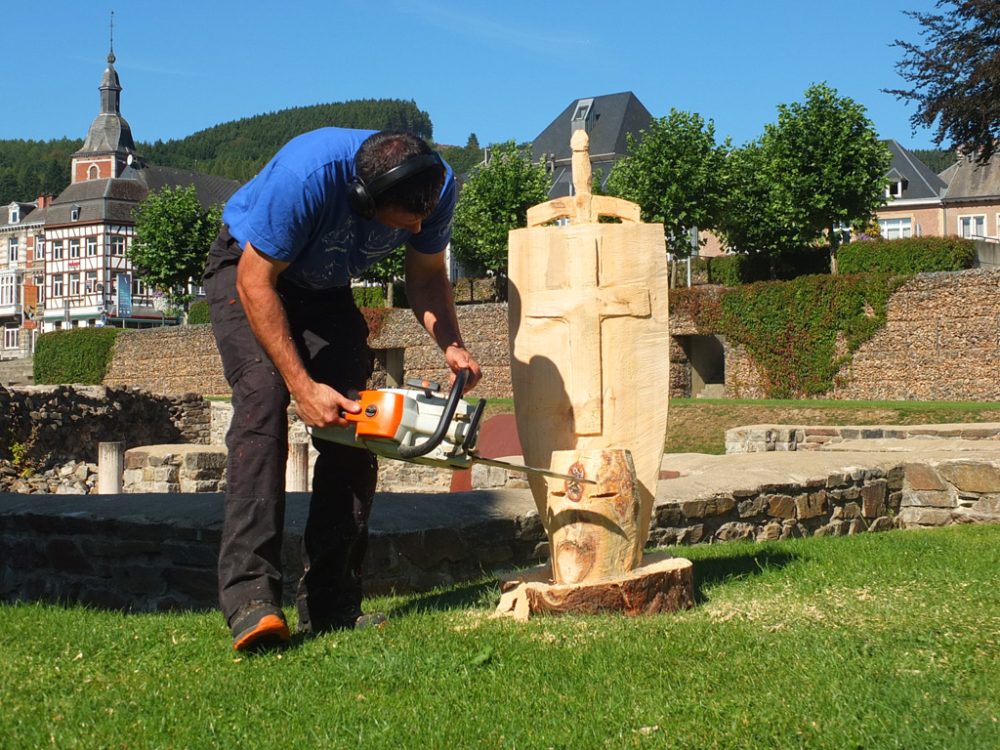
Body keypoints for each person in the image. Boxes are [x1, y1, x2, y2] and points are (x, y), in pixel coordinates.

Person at [203, 128, 482, 652]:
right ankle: (251, 601)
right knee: (265, 398)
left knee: (359, 420)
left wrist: (452, 344)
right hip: (249, 270)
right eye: (407, 219)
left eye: (425, 217)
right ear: (362, 198)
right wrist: (303, 386)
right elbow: (254, 282)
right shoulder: (304, 177)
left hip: (323, 288)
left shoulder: (435, 185)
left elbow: (425, 273)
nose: (420, 227)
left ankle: (333, 603)